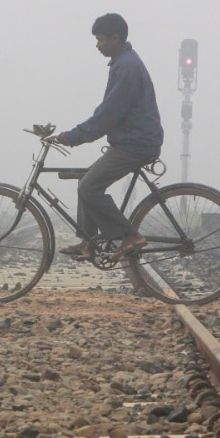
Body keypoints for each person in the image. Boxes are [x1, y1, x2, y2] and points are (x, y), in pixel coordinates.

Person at [51, 13, 164, 260]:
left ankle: (129, 235)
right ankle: (88, 242)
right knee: (86, 180)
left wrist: (73, 136)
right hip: (132, 140)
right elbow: (108, 114)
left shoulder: (127, 67)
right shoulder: (123, 63)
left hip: (136, 143)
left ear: (116, 38)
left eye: (101, 39)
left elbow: (108, 115)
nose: (97, 45)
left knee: (90, 187)